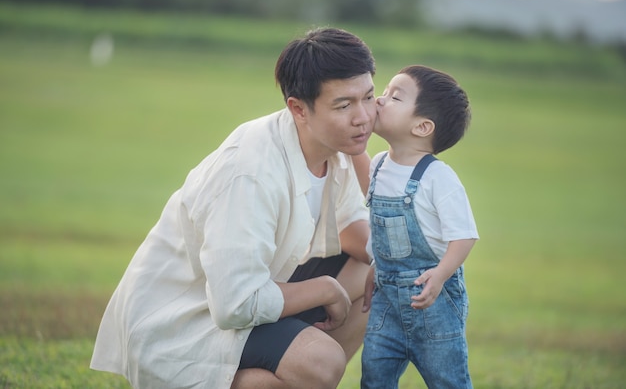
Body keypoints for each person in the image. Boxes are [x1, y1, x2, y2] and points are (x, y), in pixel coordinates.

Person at [90, 27, 377, 389]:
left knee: (380, 278)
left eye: (368, 97)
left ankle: (303, 376)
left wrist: (400, 259)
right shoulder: (250, 172)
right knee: (320, 361)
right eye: (344, 105)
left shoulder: (334, 150)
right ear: (299, 109)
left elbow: (352, 227)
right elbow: (235, 304)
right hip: (189, 322)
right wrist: (324, 289)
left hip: (255, 298)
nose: (363, 116)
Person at [360, 65, 479, 389]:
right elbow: (381, 231)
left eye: (394, 97)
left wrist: (440, 275)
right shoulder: (378, 165)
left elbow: (464, 235)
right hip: (387, 299)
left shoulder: (438, 177)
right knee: (374, 373)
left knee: (447, 379)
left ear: (422, 126)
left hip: (433, 300)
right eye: (383, 93)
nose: (380, 100)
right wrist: (376, 264)